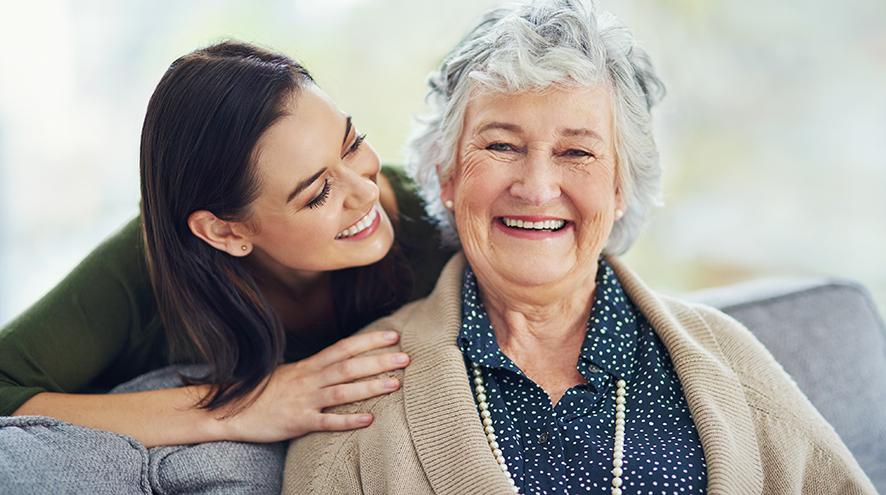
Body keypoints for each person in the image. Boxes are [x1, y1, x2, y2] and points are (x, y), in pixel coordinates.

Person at [282, 1, 877, 493]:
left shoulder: (729, 361)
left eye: (577, 152)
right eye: (501, 145)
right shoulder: (354, 402)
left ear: (620, 186)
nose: (537, 187)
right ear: (446, 175)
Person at [0, 40, 454, 448]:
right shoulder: (141, 269)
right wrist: (234, 408)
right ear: (226, 232)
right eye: (318, 194)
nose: (367, 192)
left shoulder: (438, 220)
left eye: (353, 144)